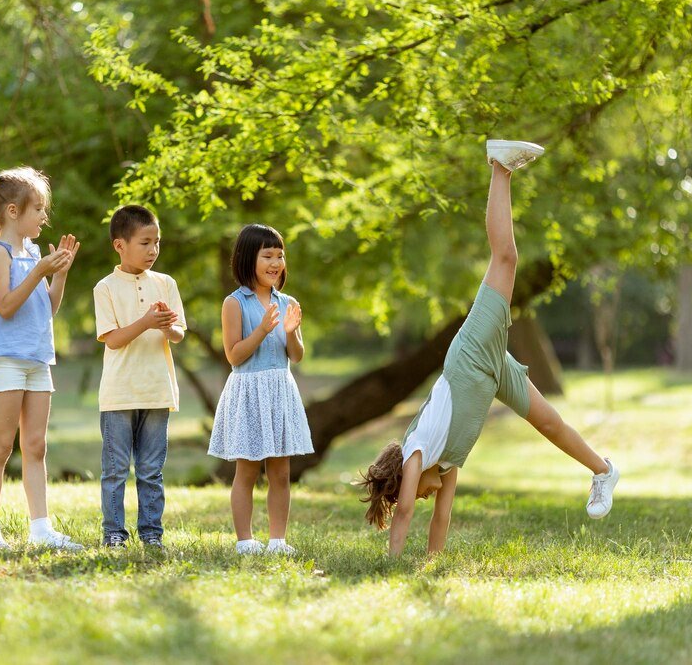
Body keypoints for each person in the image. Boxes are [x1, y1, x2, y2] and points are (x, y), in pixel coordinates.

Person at [360, 140, 620, 556]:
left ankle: (500, 167)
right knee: (549, 423)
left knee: (506, 259)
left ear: (403, 477)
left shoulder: (416, 452)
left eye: (415, 492)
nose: (425, 497)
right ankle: (603, 471)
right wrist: (430, 566)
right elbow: (441, 520)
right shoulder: (447, 462)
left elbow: (405, 511)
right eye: (423, 495)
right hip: (490, 373)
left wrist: (391, 566)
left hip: (470, 359)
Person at [0, 166, 83, 551]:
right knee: (2, 445)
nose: (44, 216)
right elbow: (4, 307)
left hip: (38, 357)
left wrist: (60, 275)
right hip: (6, 358)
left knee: (35, 445)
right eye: (38, 209)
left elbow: (46, 309)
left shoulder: (34, 251)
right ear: (14, 212)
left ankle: (41, 528)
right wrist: (38, 271)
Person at [209, 224, 313, 555]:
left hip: (280, 389)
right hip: (249, 391)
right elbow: (234, 355)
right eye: (267, 255)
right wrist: (262, 331)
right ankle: (244, 541)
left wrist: (291, 332)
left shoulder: (288, 302)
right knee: (248, 470)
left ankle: (278, 540)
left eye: (280, 256)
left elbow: (296, 356)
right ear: (246, 259)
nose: (275, 263)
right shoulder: (234, 303)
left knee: (281, 472)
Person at [94, 204, 186, 549]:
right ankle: (114, 532)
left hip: (158, 389)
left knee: (151, 470)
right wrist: (146, 322)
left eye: (157, 242)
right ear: (120, 245)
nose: (153, 250)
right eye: (145, 243)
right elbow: (113, 339)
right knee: (116, 470)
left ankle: (151, 533)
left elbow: (178, 333)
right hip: (119, 392)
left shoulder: (165, 283)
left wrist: (167, 326)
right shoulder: (105, 288)